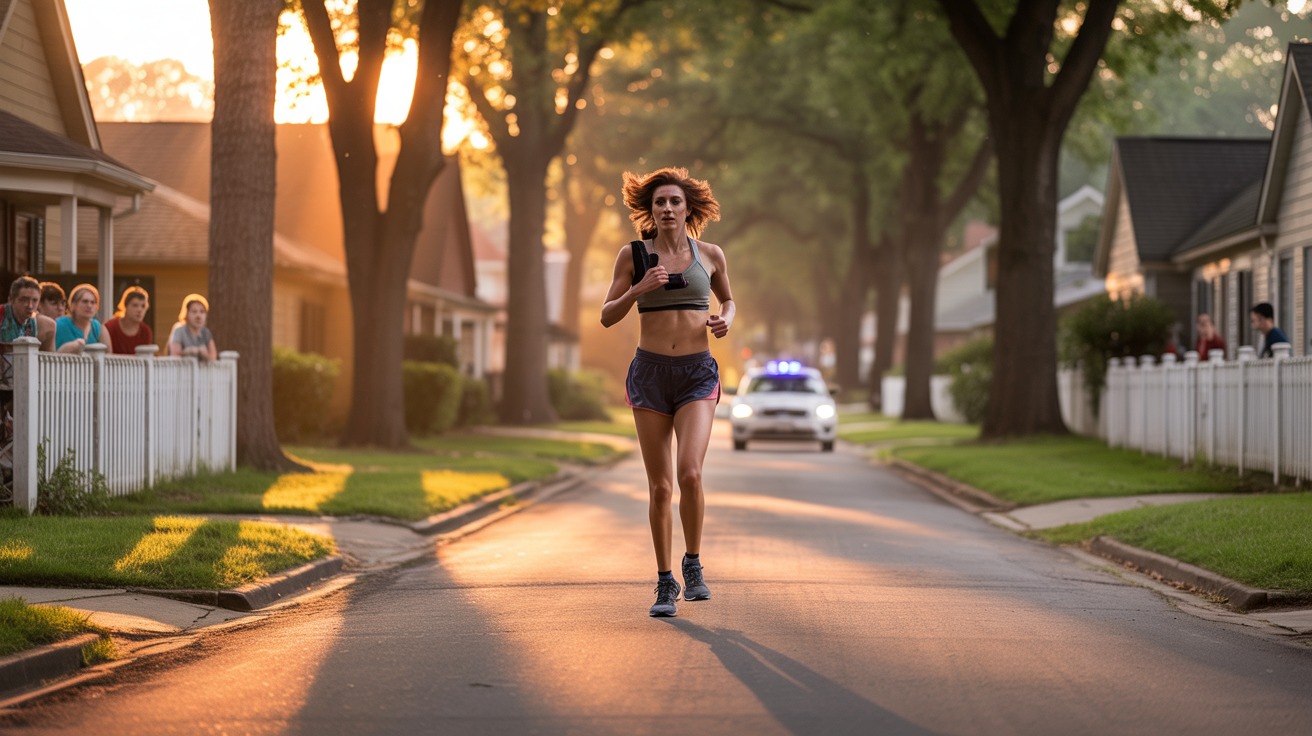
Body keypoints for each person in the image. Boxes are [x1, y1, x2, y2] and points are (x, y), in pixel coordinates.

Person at [600, 167, 735, 618]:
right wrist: (639, 288)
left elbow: (729, 300)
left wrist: (725, 320)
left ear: (688, 208)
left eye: (675, 201)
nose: (668, 208)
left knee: (689, 474)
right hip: (650, 375)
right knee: (660, 487)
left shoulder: (710, 255)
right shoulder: (633, 255)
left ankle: (692, 564)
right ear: (651, 210)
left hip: (697, 374)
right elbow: (606, 315)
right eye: (660, 202)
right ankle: (664, 581)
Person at [1, 276, 55, 352]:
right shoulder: (2, 314)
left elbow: (48, 357)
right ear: (11, 300)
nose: (30, 305)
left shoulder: (47, 326)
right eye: (24, 300)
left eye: (35, 300)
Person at [54, 284, 113, 354]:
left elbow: (108, 355)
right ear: (73, 305)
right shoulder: (59, 325)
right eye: (85, 301)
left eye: (93, 302)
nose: (89, 306)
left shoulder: (98, 328)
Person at [104, 286, 155, 356]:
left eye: (143, 306)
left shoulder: (146, 331)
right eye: (135, 305)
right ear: (126, 306)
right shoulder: (110, 327)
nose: (140, 310)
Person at [169, 293, 217, 361]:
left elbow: (213, 357)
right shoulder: (179, 331)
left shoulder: (206, 332)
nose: (198, 316)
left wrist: (204, 354)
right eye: (194, 312)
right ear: (186, 314)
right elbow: (175, 355)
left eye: (202, 312)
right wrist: (187, 352)